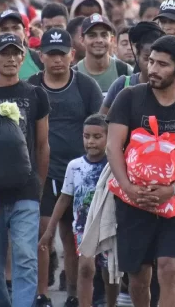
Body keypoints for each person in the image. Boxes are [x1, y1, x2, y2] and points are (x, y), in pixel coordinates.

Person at [107, 35, 175, 307]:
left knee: (169, 268)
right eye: (151, 61)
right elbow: (112, 147)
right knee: (139, 278)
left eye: (162, 64)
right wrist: (129, 189)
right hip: (133, 201)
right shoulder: (128, 98)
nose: (153, 69)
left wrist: (171, 190)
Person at [28, 28, 103, 307]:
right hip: (43, 172)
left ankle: (73, 293)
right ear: (41, 56)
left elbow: (100, 126)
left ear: (72, 55)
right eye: (51, 54)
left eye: (62, 53)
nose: (57, 59)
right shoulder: (32, 86)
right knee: (43, 232)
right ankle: (42, 294)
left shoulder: (86, 86)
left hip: (80, 174)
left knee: (74, 238)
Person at [0, 33, 50, 307]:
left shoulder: (35, 94)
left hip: (25, 191)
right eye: (3, 53)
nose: (10, 58)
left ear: (23, 57)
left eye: (15, 53)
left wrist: (38, 185)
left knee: (26, 257)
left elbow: (42, 145)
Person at [39, 114, 119, 307]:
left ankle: (111, 303)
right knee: (85, 268)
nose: (91, 142)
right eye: (86, 136)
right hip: (84, 228)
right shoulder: (75, 167)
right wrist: (49, 231)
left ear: (109, 137)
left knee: (109, 271)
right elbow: (64, 198)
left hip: (110, 227)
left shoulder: (115, 165)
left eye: (97, 137)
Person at [101, 21, 165, 115]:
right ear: (137, 55)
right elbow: (101, 122)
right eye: (147, 59)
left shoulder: (173, 88)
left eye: (160, 61)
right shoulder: (122, 85)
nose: (153, 66)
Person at [75, 13, 133, 95]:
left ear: (112, 39)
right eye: (92, 35)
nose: (99, 40)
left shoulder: (126, 71)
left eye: (104, 35)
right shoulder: (74, 75)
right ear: (82, 40)